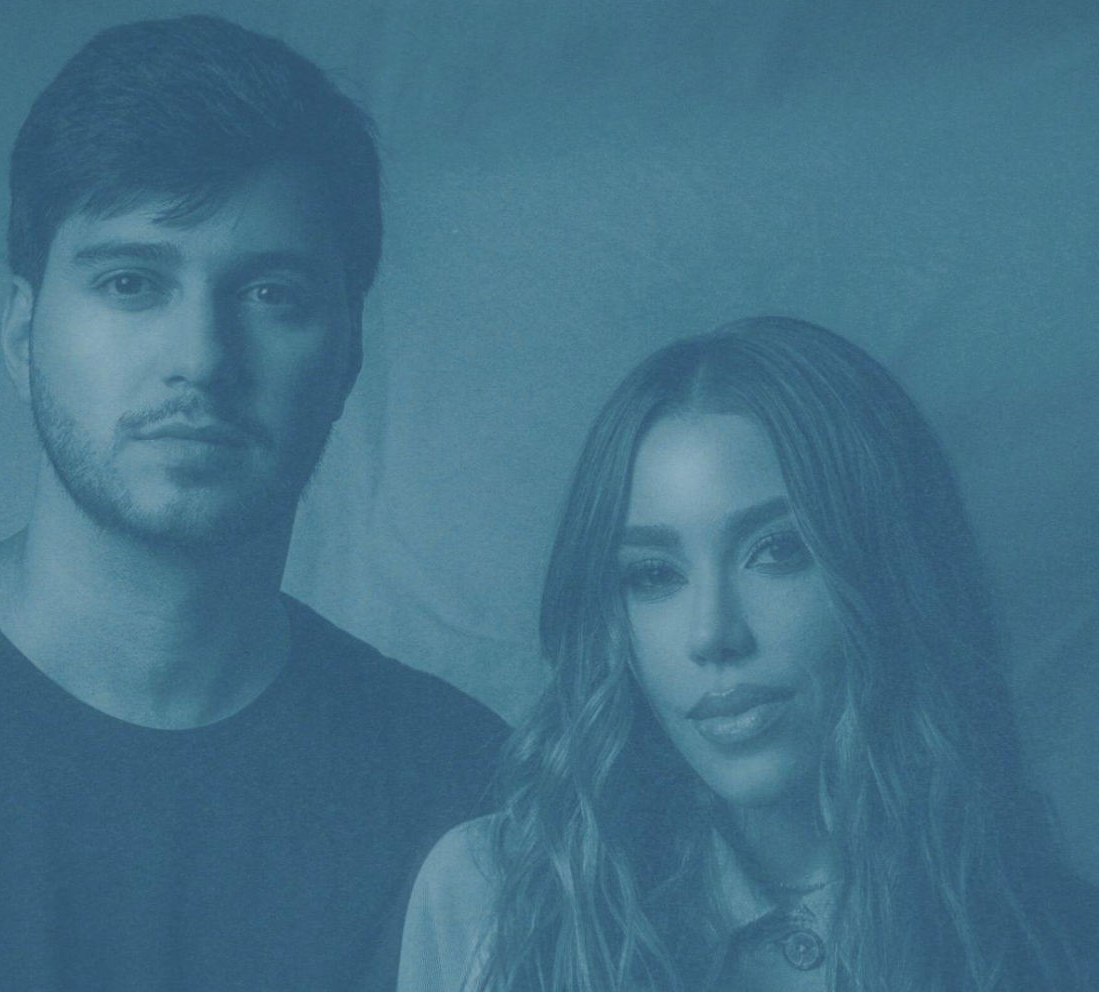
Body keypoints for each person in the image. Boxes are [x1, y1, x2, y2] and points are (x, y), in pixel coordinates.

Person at [0, 15, 506, 992]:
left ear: (347, 355)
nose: (200, 359)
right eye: (132, 282)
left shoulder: (471, 794)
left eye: (270, 293)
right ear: (22, 335)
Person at [398, 317, 1097, 992]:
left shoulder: (1055, 944)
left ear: (891, 575)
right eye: (654, 574)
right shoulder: (492, 896)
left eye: (778, 550)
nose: (712, 634)